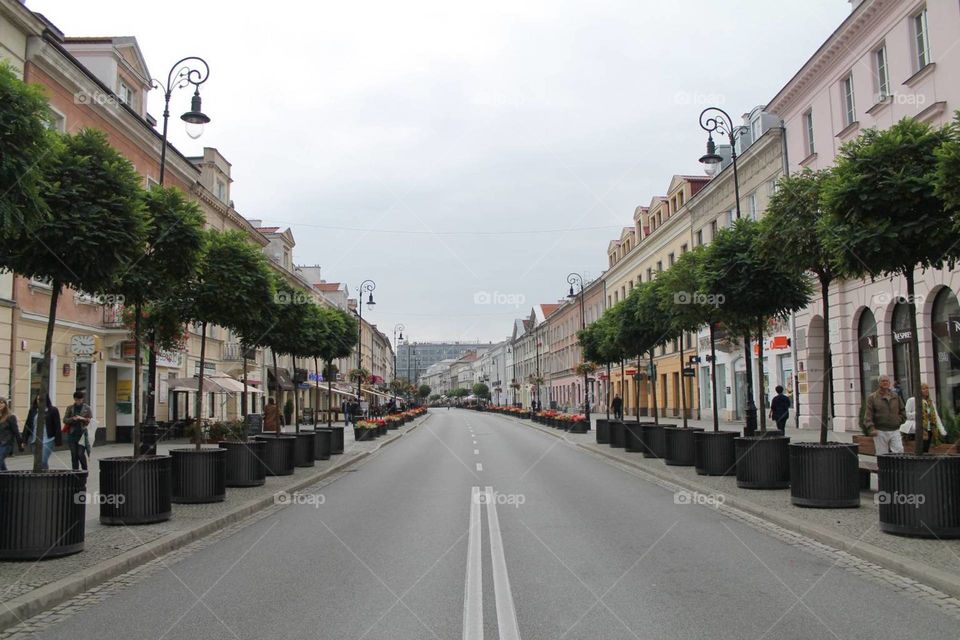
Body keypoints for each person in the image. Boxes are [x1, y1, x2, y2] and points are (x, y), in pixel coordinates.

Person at [864, 375, 906, 454]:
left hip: (895, 429)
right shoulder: (872, 397)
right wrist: (871, 428)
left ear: (889, 383)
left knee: (899, 451)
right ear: (879, 383)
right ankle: (883, 467)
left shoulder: (896, 396)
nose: (885, 383)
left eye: (887, 381)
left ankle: (895, 466)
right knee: (882, 454)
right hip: (880, 431)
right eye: (883, 381)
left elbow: (902, 410)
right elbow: (868, 415)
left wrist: (899, 420)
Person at [901, 382, 947, 453]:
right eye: (923, 389)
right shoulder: (912, 400)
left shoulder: (930, 402)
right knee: (920, 450)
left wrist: (941, 429)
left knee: (925, 450)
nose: (926, 390)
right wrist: (919, 412)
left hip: (928, 429)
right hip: (918, 429)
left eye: (927, 388)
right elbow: (908, 415)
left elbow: (936, 416)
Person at [24, 394, 60, 470]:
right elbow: (27, 425)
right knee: (37, 461)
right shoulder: (33, 410)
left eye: (41, 399)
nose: (39, 401)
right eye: (38, 400)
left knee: (43, 460)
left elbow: (57, 425)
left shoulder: (53, 410)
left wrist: (58, 441)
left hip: (48, 439)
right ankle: (42, 476)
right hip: (34, 439)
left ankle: (44, 477)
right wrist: (24, 440)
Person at [63, 391, 92, 471]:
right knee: (74, 454)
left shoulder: (87, 408)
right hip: (72, 434)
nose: (78, 401)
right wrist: (73, 419)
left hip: (82, 434)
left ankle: (84, 469)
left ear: (82, 399)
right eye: (76, 400)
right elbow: (65, 420)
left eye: (79, 400)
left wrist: (83, 419)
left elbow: (91, 420)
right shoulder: (70, 408)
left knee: (80, 454)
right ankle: (75, 471)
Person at [0, 398, 22, 471]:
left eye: (2, 403)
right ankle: (7, 477)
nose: (0, 404)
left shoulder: (11, 417)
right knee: (1, 463)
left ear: (6, 405)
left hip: (6, 443)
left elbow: (16, 431)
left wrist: (20, 444)